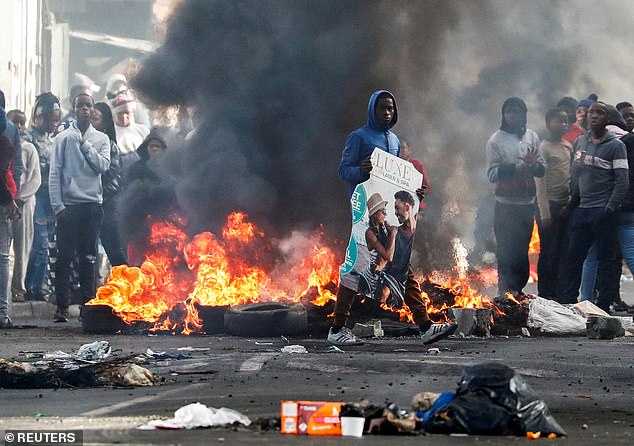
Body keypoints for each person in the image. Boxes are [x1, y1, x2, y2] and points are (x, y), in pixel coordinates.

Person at [330, 89, 456, 345]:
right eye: (382, 109)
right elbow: (343, 171)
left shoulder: (395, 141)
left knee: (401, 266)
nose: (387, 113)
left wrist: (415, 192)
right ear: (372, 110)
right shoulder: (358, 138)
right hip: (365, 214)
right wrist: (360, 170)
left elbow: (396, 183)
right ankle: (336, 329)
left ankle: (425, 326)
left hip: (386, 215)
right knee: (355, 270)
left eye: (390, 109)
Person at [559, 102, 629, 312]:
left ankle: (603, 305)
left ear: (607, 119)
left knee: (606, 259)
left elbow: (622, 181)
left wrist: (609, 209)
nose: (594, 116)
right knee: (574, 257)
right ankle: (569, 302)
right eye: (591, 113)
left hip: (603, 210)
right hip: (583, 209)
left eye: (600, 113)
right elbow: (577, 178)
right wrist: (573, 204)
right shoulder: (581, 141)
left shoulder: (616, 146)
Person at [49, 93, 110, 322]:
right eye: (80, 105)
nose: (85, 109)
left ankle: (88, 306)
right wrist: (58, 206)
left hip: (92, 204)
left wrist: (84, 145)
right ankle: (62, 306)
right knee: (64, 257)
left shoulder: (101, 139)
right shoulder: (63, 138)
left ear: (93, 110)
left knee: (89, 257)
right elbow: (55, 173)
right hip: (69, 206)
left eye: (88, 106)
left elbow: (102, 166)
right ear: (74, 110)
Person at [486, 97, 544, 296]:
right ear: (503, 115)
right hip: (505, 206)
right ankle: (505, 292)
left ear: (523, 114)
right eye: (508, 111)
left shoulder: (532, 138)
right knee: (506, 250)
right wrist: (517, 167)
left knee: (522, 250)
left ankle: (517, 292)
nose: (512, 115)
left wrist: (533, 165)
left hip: (526, 205)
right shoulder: (496, 140)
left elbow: (541, 169)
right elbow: (491, 174)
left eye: (516, 111)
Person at [24, 92, 61, 302]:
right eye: (50, 119)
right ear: (38, 116)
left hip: (50, 198)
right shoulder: (28, 138)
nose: (53, 124)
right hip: (35, 196)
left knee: (46, 244)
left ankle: (38, 286)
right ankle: (30, 286)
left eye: (56, 120)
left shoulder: (53, 140)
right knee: (39, 242)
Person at [535, 108, 572, 301]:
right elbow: (539, 182)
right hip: (548, 205)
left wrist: (571, 203)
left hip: (565, 206)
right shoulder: (544, 148)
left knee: (562, 251)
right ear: (548, 123)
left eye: (565, 121)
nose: (563, 125)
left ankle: (558, 293)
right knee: (548, 250)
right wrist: (545, 213)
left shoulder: (567, 146)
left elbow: (570, 177)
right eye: (558, 121)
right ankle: (545, 294)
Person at [7, 110, 41, 302]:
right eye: (15, 123)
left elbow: (34, 179)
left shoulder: (29, 149)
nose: (19, 127)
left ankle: (18, 288)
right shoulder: (5, 147)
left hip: (24, 204)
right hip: (6, 201)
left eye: (22, 123)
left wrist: (19, 200)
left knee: (22, 246)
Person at [92, 102, 127, 267]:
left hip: (106, 204)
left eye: (96, 119)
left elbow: (111, 174)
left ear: (105, 122)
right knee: (87, 252)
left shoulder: (111, 147)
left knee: (114, 250)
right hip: (85, 204)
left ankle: (127, 284)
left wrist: (96, 191)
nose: (91, 122)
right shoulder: (76, 142)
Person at [0, 107, 21, 328]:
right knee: (3, 257)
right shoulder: (5, 140)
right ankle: (3, 313)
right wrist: (9, 199)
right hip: (2, 202)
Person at [358, 193, 397, 301]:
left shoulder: (384, 227)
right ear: (375, 214)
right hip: (368, 280)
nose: (385, 213)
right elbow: (388, 256)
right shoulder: (370, 233)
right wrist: (393, 234)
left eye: (385, 210)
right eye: (382, 210)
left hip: (381, 276)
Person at [110, 90, 149, 173]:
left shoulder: (143, 131)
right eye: (120, 113)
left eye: (127, 112)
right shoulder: (110, 132)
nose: (124, 116)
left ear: (133, 113)